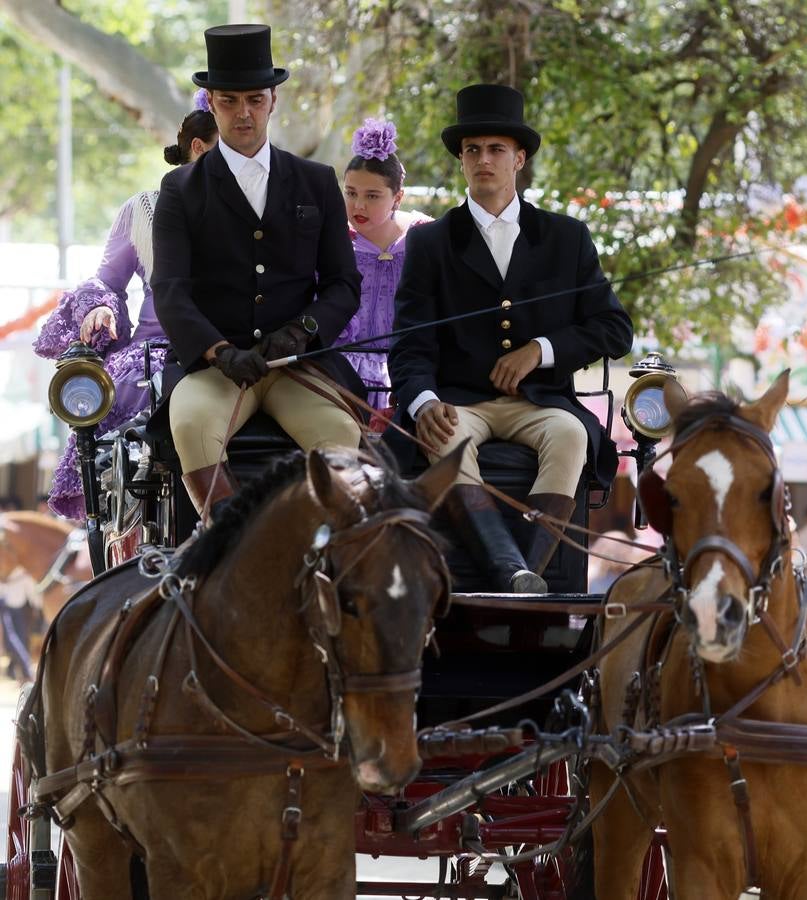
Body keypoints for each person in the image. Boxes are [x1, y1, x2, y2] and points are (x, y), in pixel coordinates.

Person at [388, 84, 634, 593]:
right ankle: (512, 574)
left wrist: (541, 350)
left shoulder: (566, 237)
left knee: (571, 435)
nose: (484, 160)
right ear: (461, 160)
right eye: (472, 150)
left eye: (496, 149)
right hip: (458, 402)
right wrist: (424, 402)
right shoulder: (430, 242)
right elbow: (410, 343)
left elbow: (614, 329)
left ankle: (529, 572)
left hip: (540, 402)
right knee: (443, 437)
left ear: (519, 159)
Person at [151, 24, 364, 518]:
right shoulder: (180, 189)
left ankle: (317, 547)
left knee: (341, 433)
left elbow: (343, 283)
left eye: (255, 100)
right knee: (191, 426)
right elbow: (170, 291)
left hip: (296, 365)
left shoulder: (316, 181)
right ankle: (226, 543)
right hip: (216, 369)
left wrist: (302, 330)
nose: (243, 113)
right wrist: (220, 351)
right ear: (211, 103)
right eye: (229, 101)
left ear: (273, 101)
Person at [34, 101, 218, 519]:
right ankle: (129, 515)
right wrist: (100, 307)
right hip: (157, 351)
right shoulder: (144, 209)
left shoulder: (252, 209)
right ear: (199, 148)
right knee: (131, 390)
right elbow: (107, 280)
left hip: (230, 347)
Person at [337, 118, 431, 413]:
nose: (358, 206)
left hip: (407, 368)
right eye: (351, 193)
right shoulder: (335, 243)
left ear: (397, 197)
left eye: (372, 196)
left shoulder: (423, 239)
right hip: (342, 369)